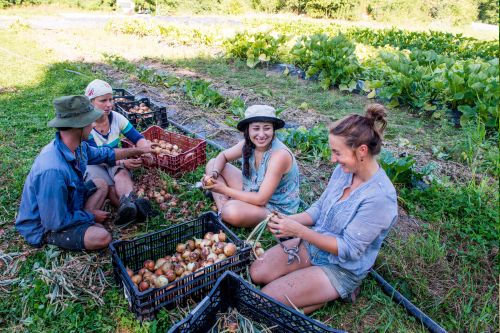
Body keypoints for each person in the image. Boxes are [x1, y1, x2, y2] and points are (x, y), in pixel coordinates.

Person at [250, 104, 398, 313]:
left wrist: (299, 231)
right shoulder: (344, 170)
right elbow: (320, 208)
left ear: (362, 151)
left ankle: (328, 291)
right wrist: (289, 220)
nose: (332, 159)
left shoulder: (380, 198)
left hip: (341, 267)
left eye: (337, 153)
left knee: (266, 299)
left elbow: (348, 249)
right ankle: (310, 289)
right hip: (316, 244)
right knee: (257, 272)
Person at [15, 95, 153, 251]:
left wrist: (138, 150)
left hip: (68, 204)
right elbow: (54, 221)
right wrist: (91, 216)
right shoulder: (52, 170)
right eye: (90, 121)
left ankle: (88, 216)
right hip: (46, 226)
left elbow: (106, 154)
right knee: (102, 237)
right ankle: (57, 235)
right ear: (78, 126)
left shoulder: (78, 146)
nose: (93, 124)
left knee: (101, 184)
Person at [202, 105, 300, 227]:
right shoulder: (248, 144)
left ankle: (226, 209)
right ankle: (225, 209)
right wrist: (214, 175)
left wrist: (223, 189)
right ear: (248, 130)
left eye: (267, 128)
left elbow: (261, 199)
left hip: (273, 206)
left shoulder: (279, 156)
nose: (261, 134)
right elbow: (223, 156)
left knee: (231, 211)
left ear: (273, 130)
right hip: (253, 188)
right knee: (213, 164)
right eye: (256, 128)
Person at [84, 79, 152, 226]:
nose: (109, 104)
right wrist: (122, 161)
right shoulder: (86, 126)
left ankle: (128, 202)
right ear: (91, 102)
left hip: (113, 160)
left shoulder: (116, 118)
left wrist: (145, 149)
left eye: (111, 99)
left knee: (121, 173)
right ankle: (135, 210)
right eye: (103, 100)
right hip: (94, 164)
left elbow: (137, 137)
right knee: (109, 188)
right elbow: (96, 157)